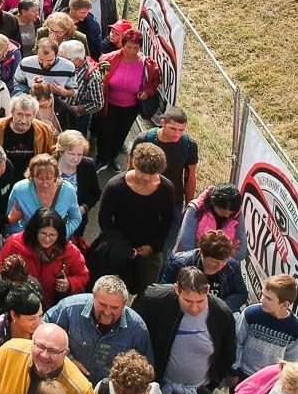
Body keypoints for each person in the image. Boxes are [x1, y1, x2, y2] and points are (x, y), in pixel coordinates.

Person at [132, 268, 238, 394]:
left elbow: (228, 353)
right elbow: (135, 334)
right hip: (156, 388)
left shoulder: (221, 314)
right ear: (177, 290)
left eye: (200, 301)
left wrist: (210, 386)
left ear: (208, 290)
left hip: (197, 392)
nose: (194, 308)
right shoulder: (155, 301)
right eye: (188, 301)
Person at [91, 143, 175, 294]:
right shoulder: (115, 186)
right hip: (117, 241)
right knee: (98, 282)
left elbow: (167, 221)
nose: (146, 178)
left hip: (148, 247)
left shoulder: (166, 189)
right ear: (134, 164)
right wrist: (121, 245)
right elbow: (104, 220)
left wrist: (153, 247)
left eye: (152, 174)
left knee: (148, 290)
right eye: (142, 172)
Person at [44, 276, 154, 385]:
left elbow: (145, 370)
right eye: (102, 305)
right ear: (93, 298)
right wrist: (67, 360)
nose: (107, 312)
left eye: (114, 308)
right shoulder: (69, 309)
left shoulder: (137, 329)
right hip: (65, 383)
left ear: (125, 305)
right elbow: (42, 330)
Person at [131, 107, 198, 254]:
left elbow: (190, 176)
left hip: (173, 203)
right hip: (144, 199)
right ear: (162, 122)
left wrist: (189, 205)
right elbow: (131, 169)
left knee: (165, 249)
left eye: (181, 130)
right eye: (173, 129)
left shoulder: (189, 145)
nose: (177, 134)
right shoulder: (144, 139)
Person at [0, 208, 90, 309]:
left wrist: (69, 283)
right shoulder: (15, 244)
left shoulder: (69, 250)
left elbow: (83, 276)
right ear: (34, 231)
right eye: (43, 234)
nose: (47, 239)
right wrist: (10, 284)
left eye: (52, 235)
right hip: (19, 306)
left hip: (53, 308)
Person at [96, 29, 161, 172]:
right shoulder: (108, 59)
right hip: (109, 104)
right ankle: (101, 158)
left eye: (135, 48)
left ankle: (112, 157)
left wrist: (146, 92)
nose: (131, 51)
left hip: (131, 107)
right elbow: (99, 77)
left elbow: (154, 82)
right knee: (105, 131)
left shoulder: (147, 65)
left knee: (121, 132)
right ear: (122, 45)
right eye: (128, 47)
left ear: (140, 47)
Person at [235, 275, 298, 380]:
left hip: (269, 382)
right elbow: (237, 342)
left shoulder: (295, 328)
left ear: (285, 304)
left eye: (268, 298)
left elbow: (290, 362)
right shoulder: (251, 314)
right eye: (263, 295)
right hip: (243, 374)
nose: (262, 300)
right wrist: (234, 370)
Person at [161, 230, 249, 312]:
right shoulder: (179, 263)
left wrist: (220, 307)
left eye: (224, 261)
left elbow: (241, 294)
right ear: (201, 253)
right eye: (214, 262)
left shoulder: (232, 265)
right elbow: (165, 292)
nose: (220, 266)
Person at [0, 285, 44, 377]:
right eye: (31, 319)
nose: (38, 322)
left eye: (40, 316)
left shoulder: (43, 332)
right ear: (13, 315)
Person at [6, 154, 81, 237]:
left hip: (56, 244)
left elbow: (76, 218)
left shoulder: (68, 190)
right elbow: (10, 222)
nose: (45, 184)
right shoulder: (19, 190)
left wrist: (62, 235)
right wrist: (23, 237)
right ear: (31, 176)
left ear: (56, 176)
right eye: (40, 179)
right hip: (26, 242)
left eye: (49, 178)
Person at [177, 184, 245, 260]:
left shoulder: (237, 213)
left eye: (231, 213)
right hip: (193, 263)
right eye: (222, 212)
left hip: (221, 265)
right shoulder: (196, 208)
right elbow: (186, 247)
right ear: (213, 203)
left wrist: (202, 245)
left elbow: (241, 253)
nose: (227, 216)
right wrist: (227, 249)